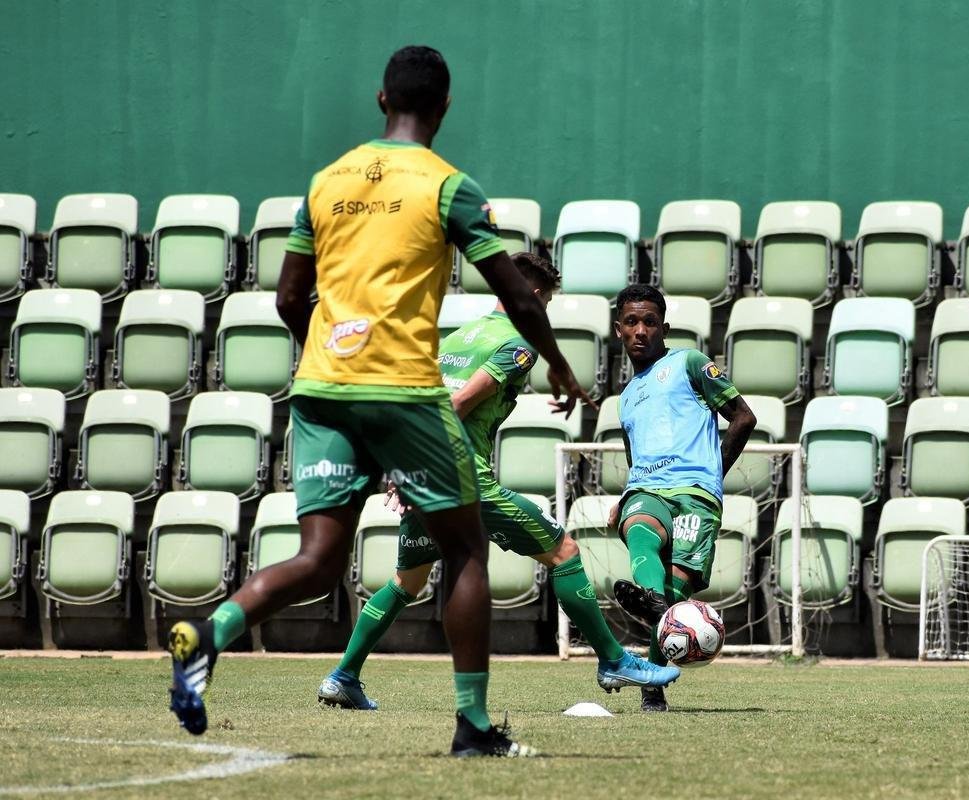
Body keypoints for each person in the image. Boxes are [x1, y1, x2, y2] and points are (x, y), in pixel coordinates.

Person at [167, 45, 592, 758]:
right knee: (464, 547)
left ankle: (209, 636)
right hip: (400, 389)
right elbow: (515, 292)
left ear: (379, 99)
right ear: (446, 106)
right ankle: (473, 727)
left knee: (317, 560)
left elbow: (287, 298)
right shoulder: (447, 185)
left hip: (322, 388)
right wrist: (558, 366)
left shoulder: (325, 182)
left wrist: (327, 357)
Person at [316, 253, 679, 711]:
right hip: (464, 480)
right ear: (530, 296)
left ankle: (343, 675)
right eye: (544, 302)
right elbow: (460, 403)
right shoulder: (517, 345)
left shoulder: (457, 338)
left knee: (407, 581)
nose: (543, 312)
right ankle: (612, 660)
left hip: (425, 477)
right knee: (564, 552)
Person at [606, 284, 757, 712]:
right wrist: (626, 493)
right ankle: (658, 612)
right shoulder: (625, 399)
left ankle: (653, 681)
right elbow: (635, 456)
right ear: (619, 330)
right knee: (638, 526)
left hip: (697, 496)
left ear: (664, 328)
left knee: (674, 589)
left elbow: (744, 417)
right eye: (632, 322)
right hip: (646, 489)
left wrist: (712, 473)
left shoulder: (689, 363)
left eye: (650, 322)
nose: (641, 330)